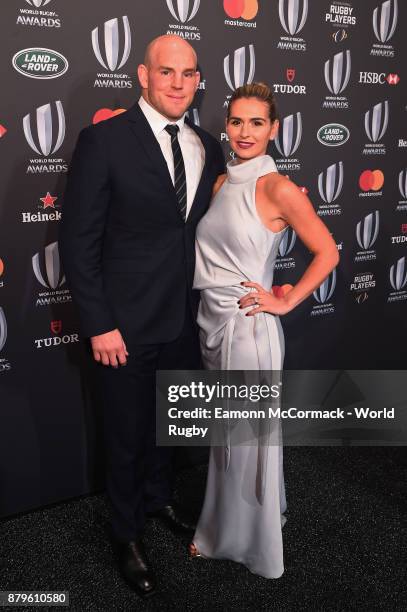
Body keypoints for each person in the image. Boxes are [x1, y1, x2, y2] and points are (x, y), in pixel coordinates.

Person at [60, 35, 224, 597]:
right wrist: (99, 323)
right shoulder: (103, 141)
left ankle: (157, 501)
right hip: (123, 328)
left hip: (185, 318)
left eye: (189, 73)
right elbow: (78, 242)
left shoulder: (208, 145)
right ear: (143, 75)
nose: (179, 82)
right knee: (126, 436)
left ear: (199, 78)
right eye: (167, 72)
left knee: (164, 426)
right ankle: (126, 534)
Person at [190, 82, 339, 578]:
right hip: (213, 323)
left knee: (245, 440)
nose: (245, 132)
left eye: (257, 122)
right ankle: (226, 525)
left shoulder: (277, 187)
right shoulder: (220, 183)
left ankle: (244, 542)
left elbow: (329, 251)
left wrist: (286, 299)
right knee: (227, 438)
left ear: (275, 129)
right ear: (226, 127)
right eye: (236, 122)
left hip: (250, 331)